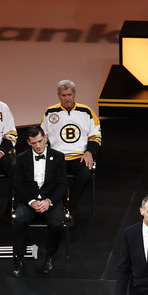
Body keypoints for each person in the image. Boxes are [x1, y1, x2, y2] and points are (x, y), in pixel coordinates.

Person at [40, 79, 102, 215]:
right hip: (57, 156)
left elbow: (96, 136)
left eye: (69, 95)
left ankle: (71, 207)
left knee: (85, 174)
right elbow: (42, 138)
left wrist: (89, 152)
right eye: (63, 95)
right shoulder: (50, 112)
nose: (67, 98)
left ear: (74, 94)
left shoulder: (86, 111)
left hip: (79, 156)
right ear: (58, 95)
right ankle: (58, 206)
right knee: (51, 177)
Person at [12, 126, 67, 278]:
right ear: (28, 142)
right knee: (19, 220)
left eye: (40, 141)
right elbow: (17, 185)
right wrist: (31, 202)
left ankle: (49, 256)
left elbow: (62, 185)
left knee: (57, 224)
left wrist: (48, 201)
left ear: (46, 138)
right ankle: (19, 258)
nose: (38, 145)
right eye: (34, 142)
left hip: (51, 201)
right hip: (28, 201)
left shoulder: (58, 157)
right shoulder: (22, 158)